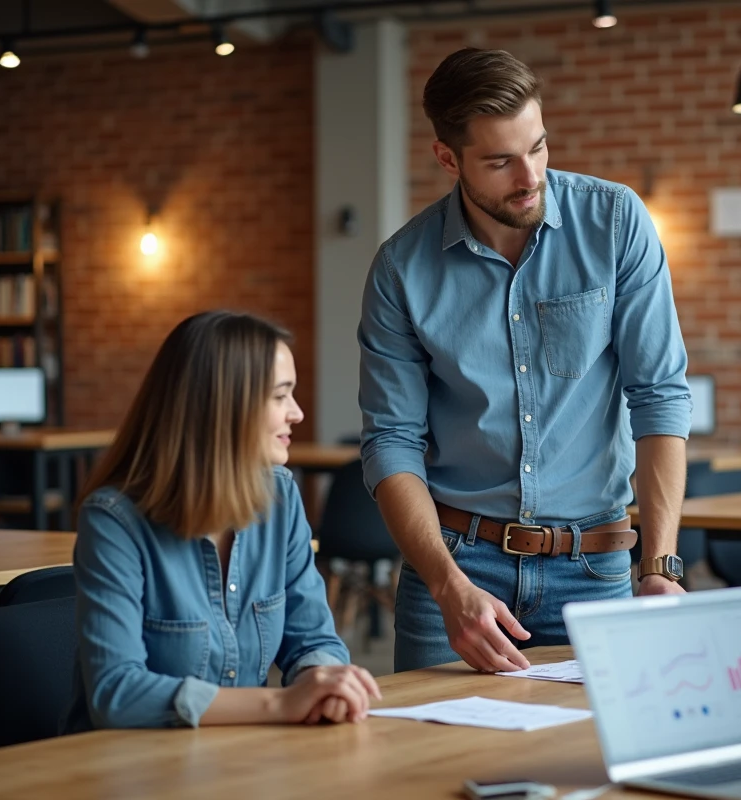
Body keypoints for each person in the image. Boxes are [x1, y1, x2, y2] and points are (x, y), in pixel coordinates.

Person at [358, 47, 692, 674]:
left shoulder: (616, 222)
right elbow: (391, 441)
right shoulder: (402, 269)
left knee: (593, 763)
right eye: (501, 161)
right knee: (427, 760)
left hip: (595, 567)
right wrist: (446, 584)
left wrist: (661, 564)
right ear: (447, 158)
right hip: (456, 567)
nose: (530, 175)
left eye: (538, 147)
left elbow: (659, 395)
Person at [63, 311, 381, 732]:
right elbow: (117, 693)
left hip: (239, 760)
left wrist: (323, 682)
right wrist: (280, 704)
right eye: (280, 396)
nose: (297, 413)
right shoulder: (114, 521)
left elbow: (313, 640)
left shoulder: (280, 497)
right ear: (224, 405)